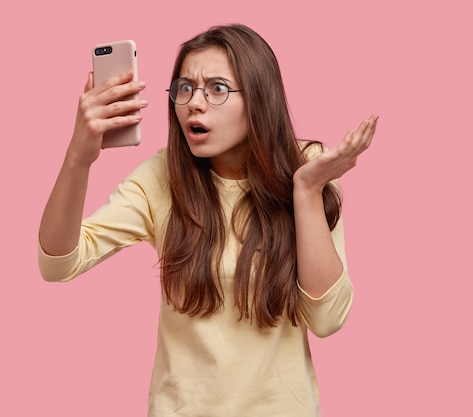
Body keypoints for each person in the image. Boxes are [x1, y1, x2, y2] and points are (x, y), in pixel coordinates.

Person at [38, 23, 377, 417]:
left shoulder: (310, 168)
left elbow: (327, 318)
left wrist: (306, 190)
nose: (194, 103)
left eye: (217, 88)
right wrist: (79, 158)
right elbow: (58, 263)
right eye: (184, 88)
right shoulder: (161, 178)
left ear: (259, 99)